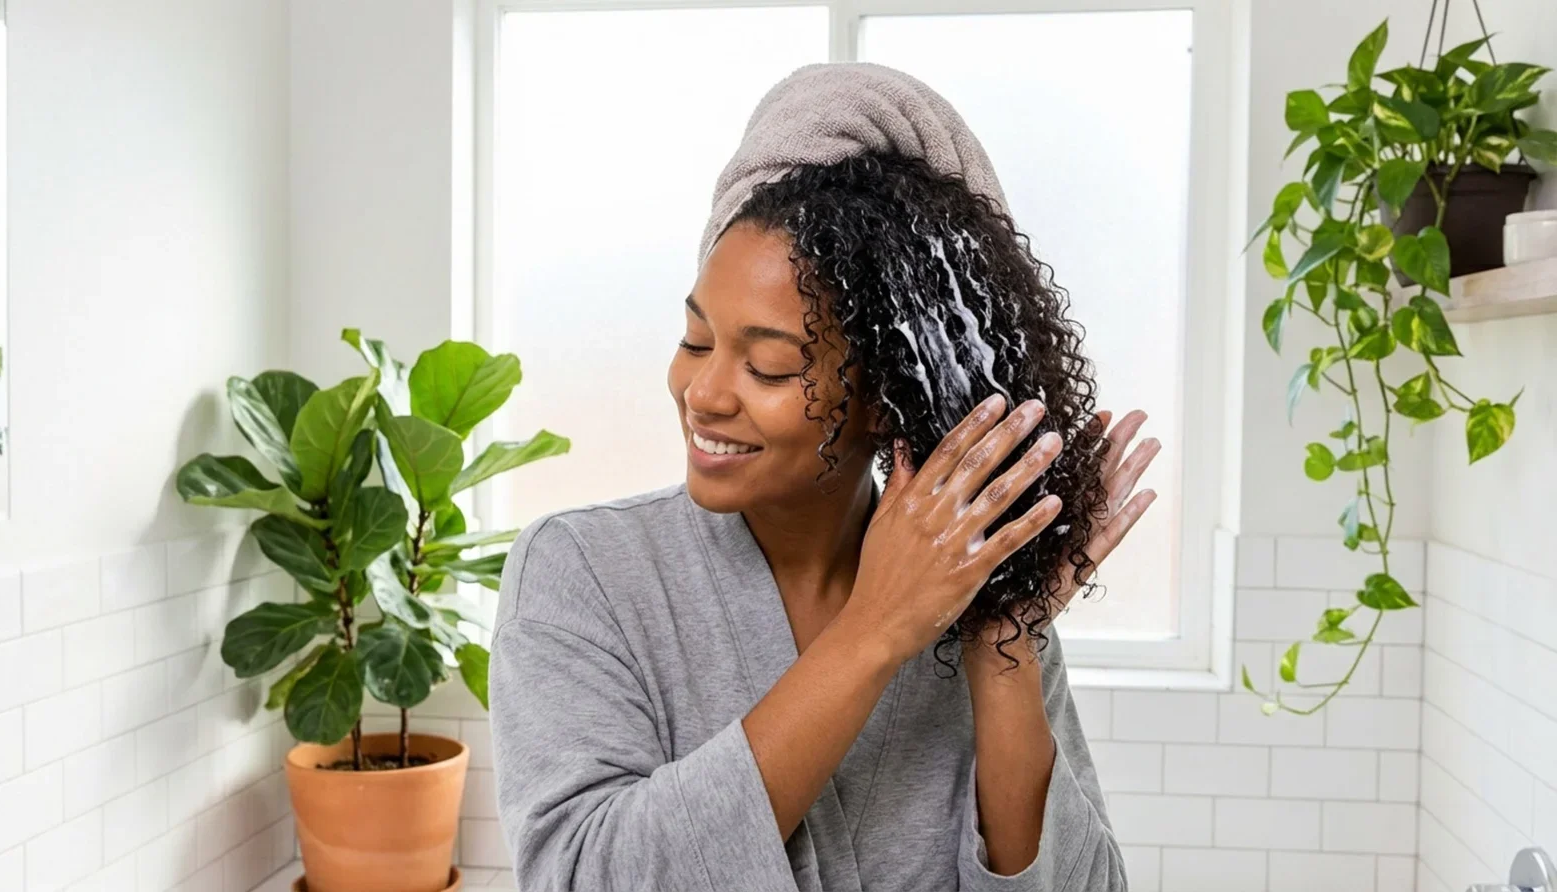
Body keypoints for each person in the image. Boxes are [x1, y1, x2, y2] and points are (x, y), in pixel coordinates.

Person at [489, 62, 1159, 892]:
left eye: (767, 366)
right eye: (696, 341)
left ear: (885, 399)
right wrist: (874, 631)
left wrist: (1003, 645)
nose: (701, 393)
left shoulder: (971, 589)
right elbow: (583, 877)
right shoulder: (581, 573)